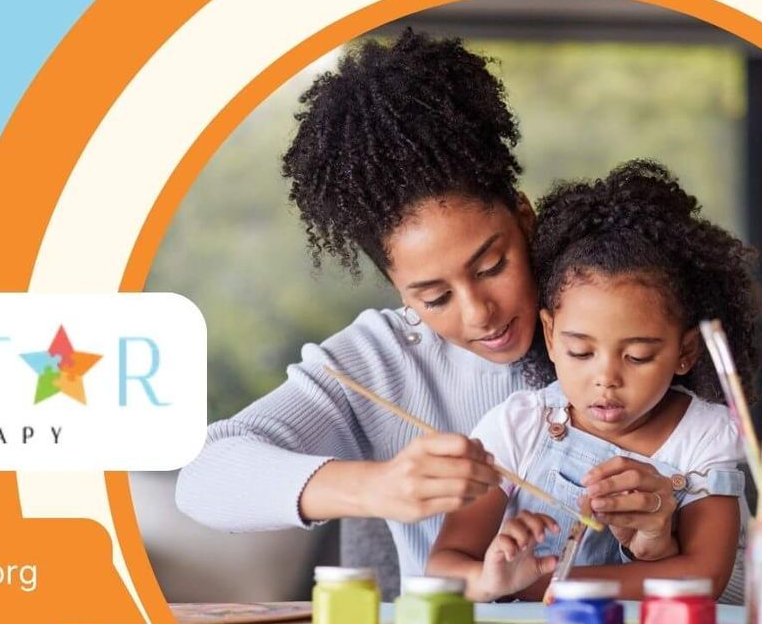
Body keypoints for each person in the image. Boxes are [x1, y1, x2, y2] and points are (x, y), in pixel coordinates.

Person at [174, 30, 542, 579]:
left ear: (524, 217)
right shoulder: (383, 360)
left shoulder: (610, 313)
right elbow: (204, 476)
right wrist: (375, 487)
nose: (477, 313)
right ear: (397, 288)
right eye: (434, 296)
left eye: (492, 267)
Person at [425, 160, 762, 602]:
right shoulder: (518, 427)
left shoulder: (703, 434)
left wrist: (543, 585)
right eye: (581, 353)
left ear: (685, 351)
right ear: (550, 336)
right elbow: (444, 567)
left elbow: (702, 577)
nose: (605, 379)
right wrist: (492, 580)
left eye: (638, 356)